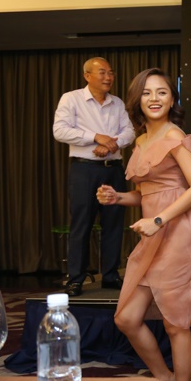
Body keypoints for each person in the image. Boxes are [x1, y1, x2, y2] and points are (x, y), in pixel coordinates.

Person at [95, 68, 191, 381]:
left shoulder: (175, 136)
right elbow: (145, 194)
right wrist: (117, 198)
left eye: (162, 92)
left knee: (176, 323)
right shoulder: (141, 141)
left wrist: (159, 219)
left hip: (179, 233)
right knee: (127, 318)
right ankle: (164, 378)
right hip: (154, 232)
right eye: (147, 93)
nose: (154, 98)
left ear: (172, 99)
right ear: (137, 100)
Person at [53, 57, 135, 296]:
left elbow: (129, 131)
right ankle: (76, 279)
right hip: (84, 170)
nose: (108, 77)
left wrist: (111, 145)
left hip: (114, 168)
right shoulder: (71, 98)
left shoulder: (117, 103)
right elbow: (60, 131)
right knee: (82, 224)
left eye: (111, 72)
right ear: (87, 75)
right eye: (102, 72)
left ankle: (110, 275)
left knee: (114, 224)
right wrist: (95, 137)